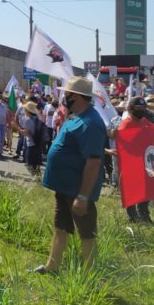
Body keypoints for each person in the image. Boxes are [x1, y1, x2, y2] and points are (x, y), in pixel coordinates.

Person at [32, 77, 106, 274]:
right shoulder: (75, 117)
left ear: (78, 97)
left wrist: (83, 196)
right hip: (64, 187)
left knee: (86, 233)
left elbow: (93, 162)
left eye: (68, 94)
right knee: (61, 227)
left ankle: (90, 276)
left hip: (78, 189)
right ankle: (52, 266)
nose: (64, 97)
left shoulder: (91, 122)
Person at [106, 96, 153, 223]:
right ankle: (133, 218)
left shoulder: (144, 121)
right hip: (130, 164)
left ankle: (144, 214)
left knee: (145, 190)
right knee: (131, 191)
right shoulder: (126, 123)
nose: (142, 110)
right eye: (139, 108)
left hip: (143, 162)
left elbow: (153, 132)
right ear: (131, 109)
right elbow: (121, 143)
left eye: (144, 108)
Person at [18, 101, 43, 176]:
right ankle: (38, 178)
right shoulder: (38, 118)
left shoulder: (28, 120)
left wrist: (17, 128)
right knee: (36, 165)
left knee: (29, 164)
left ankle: (37, 179)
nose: (23, 111)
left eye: (25, 109)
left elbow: (25, 133)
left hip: (31, 145)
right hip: (38, 144)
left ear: (28, 111)